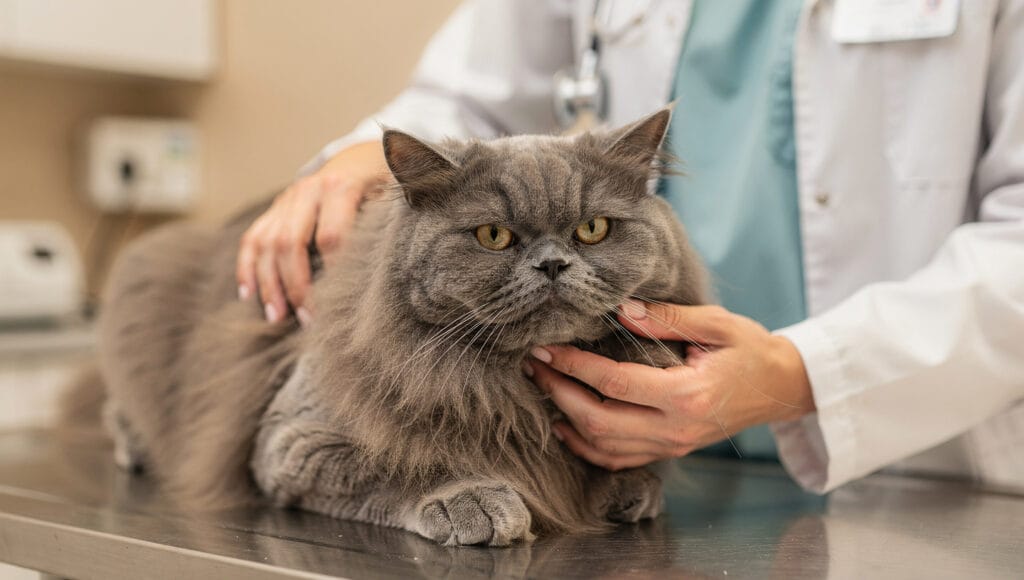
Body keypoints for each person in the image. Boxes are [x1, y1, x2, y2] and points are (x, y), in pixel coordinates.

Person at [236, 0, 1024, 494]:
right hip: (627, 449)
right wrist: (357, 160)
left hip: (906, 465)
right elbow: (474, 89)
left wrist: (799, 375)